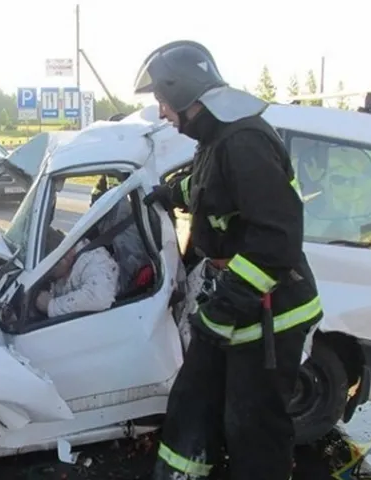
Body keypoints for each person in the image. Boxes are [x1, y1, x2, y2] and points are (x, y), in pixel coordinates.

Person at [136, 41, 323, 480]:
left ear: (184, 96)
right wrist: (172, 195)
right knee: (193, 400)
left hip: (271, 314)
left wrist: (224, 309)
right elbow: (213, 192)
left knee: (253, 428)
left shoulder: (243, 141)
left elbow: (276, 241)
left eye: (163, 102)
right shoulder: (218, 136)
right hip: (242, 305)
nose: (162, 113)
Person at [35, 228, 120, 317]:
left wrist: (51, 306)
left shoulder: (95, 259)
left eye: (51, 270)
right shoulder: (67, 266)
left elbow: (100, 297)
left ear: (66, 256)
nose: (48, 275)